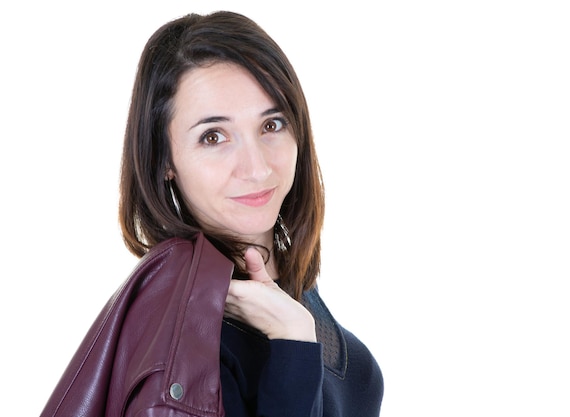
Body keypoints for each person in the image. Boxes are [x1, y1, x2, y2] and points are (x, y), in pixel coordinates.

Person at [41, 10, 384, 417]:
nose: (256, 167)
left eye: (272, 125)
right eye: (213, 136)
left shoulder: (288, 288)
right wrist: (293, 342)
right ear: (165, 160)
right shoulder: (182, 333)